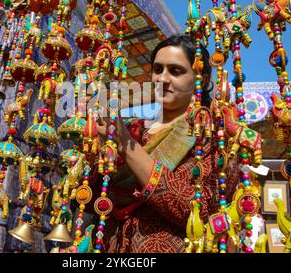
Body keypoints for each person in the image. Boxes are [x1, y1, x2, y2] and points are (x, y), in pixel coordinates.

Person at [95, 34, 240, 253]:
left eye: (175, 71)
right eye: (158, 69)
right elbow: (94, 203)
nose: (162, 79)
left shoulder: (214, 136)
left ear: (201, 77)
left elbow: (199, 213)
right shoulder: (136, 128)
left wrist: (125, 144)